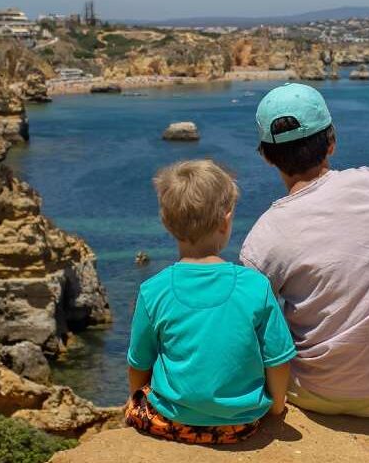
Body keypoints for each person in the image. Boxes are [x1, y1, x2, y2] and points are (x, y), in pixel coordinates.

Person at [241, 83, 369, 417]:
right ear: (332, 143)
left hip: (312, 391)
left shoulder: (263, 237)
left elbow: (247, 319)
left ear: (266, 156)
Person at [125, 159, 297, 444]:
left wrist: (136, 397)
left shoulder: (152, 290)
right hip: (240, 424)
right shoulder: (255, 286)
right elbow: (278, 360)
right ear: (225, 221)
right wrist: (276, 406)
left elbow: (138, 364)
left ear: (166, 223)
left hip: (172, 421)